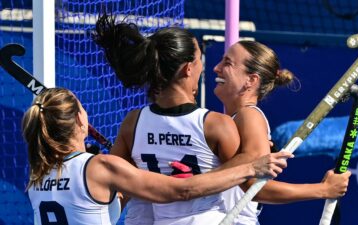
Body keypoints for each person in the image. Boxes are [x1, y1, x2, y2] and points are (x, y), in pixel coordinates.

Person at [93, 14, 291, 225]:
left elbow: (114, 195)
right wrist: (320, 190)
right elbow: (252, 180)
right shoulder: (216, 125)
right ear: (188, 68)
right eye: (199, 59)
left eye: (227, 62)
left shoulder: (133, 123)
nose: (210, 67)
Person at [24, 87, 291, 225]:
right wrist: (250, 168)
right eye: (83, 108)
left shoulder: (38, 175)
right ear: (80, 121)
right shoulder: (101, 167)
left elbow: (98, 201)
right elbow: (182, 191)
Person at [213, 40, 352, 224]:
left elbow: (256, 188)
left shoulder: (249, 116)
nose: (216, 68)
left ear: (251, 80)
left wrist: (323, 189)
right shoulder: (237, 118)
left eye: (227, 63)